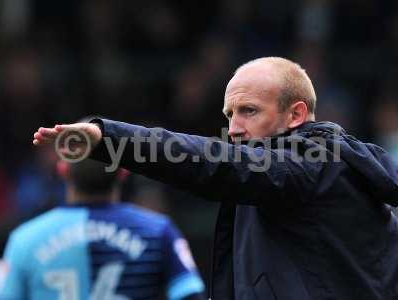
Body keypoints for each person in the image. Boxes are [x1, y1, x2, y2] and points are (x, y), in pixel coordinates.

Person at [32, 57, 398, 300]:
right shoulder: (279, 172)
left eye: (249, 111)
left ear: (296, 114)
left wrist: (109, 138)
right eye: (230, 114)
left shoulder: (316, 165)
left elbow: (212, 161)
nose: (234, 128)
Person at [0, 158, 206, 300]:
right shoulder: (158, 231)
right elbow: (190, 293)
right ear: (123, 171)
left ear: (63, 170)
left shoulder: (25, 239)